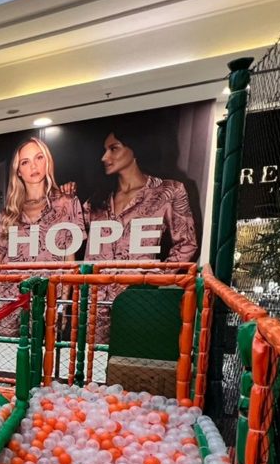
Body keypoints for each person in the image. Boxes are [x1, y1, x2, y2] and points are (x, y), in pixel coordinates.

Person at [83, 129, 198, 344]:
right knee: (92, 369)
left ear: (134, 149)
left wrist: (152, 279)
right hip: (94, 303)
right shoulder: (95, 201)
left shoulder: (169, 191)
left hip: (138, 301)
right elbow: (69, 237)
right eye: (104, 150)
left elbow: (186, 243)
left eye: (113, 148)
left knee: (131, 366)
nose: (104, 157)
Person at [0, 137, 83, 334]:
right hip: (8, 297)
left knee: (44, 357)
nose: (33, 166)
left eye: (38, 157)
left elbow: (69, 261)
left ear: (47, 160)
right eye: (25, 162)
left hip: (47, 296)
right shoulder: (9, 212)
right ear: (19, 171)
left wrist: (62, 305)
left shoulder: (67, 203)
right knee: (7, 355)